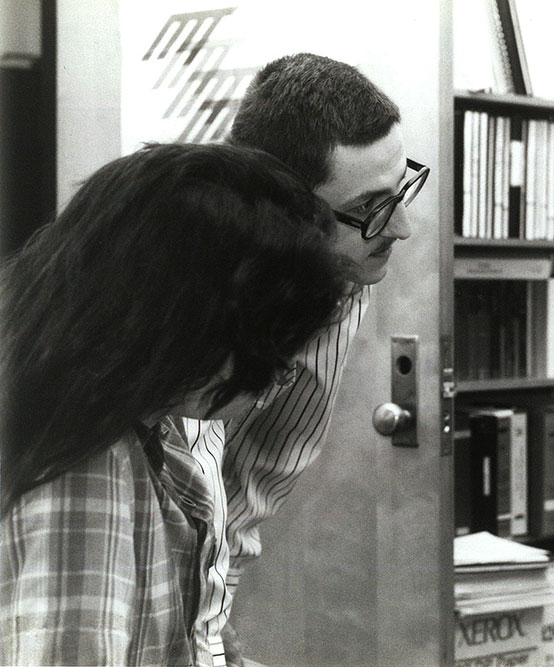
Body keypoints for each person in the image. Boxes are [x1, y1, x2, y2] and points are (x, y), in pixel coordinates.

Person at [0, 142, 353, 665]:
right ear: (191, 324)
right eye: (275, 342)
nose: (285, 369)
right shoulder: (83, 464)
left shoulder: (125, 411)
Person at [176, 53, 429, 664]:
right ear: (285, 211)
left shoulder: (341, 281)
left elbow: (255, 481)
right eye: (372, 208)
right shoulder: (175, 295)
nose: (403, 227)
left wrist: (212, 628)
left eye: (403, 188)